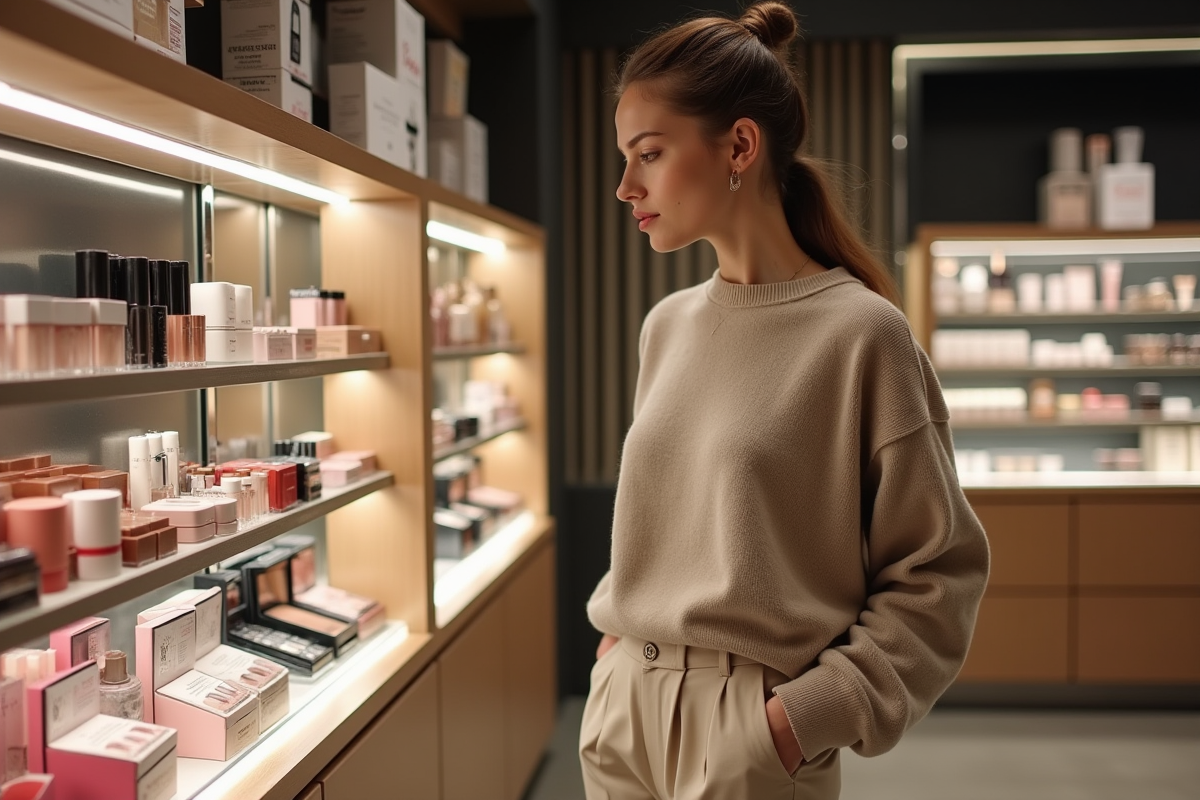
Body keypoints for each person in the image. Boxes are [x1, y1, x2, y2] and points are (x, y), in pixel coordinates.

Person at [579, 3, 990, 798]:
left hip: (754, 731)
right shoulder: (666, 327)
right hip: (624, 708)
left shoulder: (864, 335)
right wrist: (615, 661)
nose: (626, 186)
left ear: (739, 144)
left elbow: (940, 575)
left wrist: (801, 720)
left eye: (650, 154)